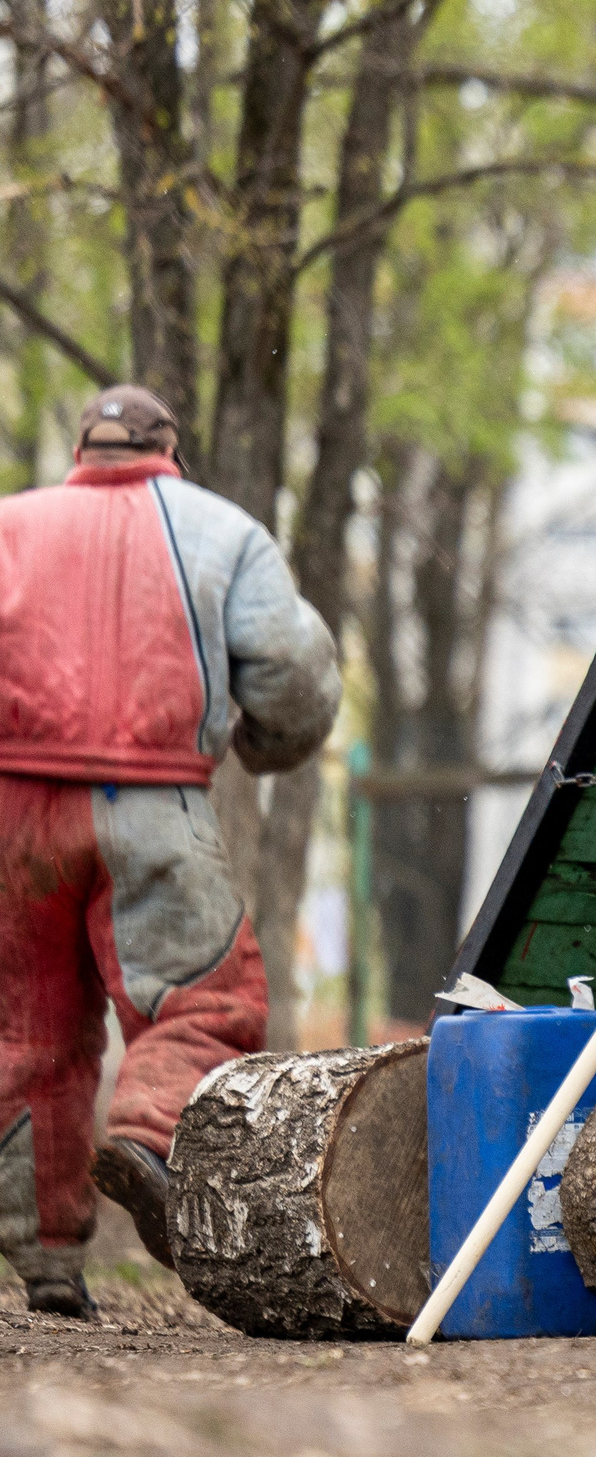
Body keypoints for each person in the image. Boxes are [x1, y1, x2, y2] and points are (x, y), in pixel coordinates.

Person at [0, 388, 341, 1317]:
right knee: (203, 1000)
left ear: (79, 449)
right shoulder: (220, 530)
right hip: (152, 799)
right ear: (172, 453)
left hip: (15, 809)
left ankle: (49, 1265)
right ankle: (147, 1134)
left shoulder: (11, 526)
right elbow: (293, 674)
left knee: (27, 1036)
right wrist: (265, 746)